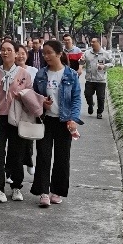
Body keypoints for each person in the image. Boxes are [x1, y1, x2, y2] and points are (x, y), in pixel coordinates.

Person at [31, 40, 83, 208]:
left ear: (59, 54)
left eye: (49, 53)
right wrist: (42, 103)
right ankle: (43, 192)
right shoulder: (41, 74)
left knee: (62, 157)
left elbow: (76, 99)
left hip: (64, 121)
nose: (46, 56)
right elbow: (34, 96)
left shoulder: (71, 74)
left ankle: (57, 191)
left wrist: (73, 119)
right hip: (46, 120)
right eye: (44, 53)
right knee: (43, 156)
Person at [0, 40, 33, 204]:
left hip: (18, 117)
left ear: (16, 53)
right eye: (3, 50)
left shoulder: (24, 74)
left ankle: (16, 186)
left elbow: (30, 95)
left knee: (17, 153)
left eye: (9, 50)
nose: (5, 52)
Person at [14, 43, 37, 175]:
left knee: (28, 138)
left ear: (27, 55)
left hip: (28, 109)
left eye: (23, 53)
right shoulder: (11, 70)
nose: (20, 56)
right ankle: (12, 171)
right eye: (17, 53)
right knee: (15, 141)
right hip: (13, 109)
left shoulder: (33, 71)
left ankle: (29, 161)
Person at [81, 37, 114, 119]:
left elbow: (113, 63)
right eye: (91, 42)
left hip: (101, 80)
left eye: (93, 42)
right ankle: (90, 104)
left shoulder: (105, 54)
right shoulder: (87, 53)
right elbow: (81, 62)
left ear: (99, 43)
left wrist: (104, 66)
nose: (91, 43)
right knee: (87, 94)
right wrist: (81, 60)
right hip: (89, 79)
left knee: (100, 97)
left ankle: (99, 112)